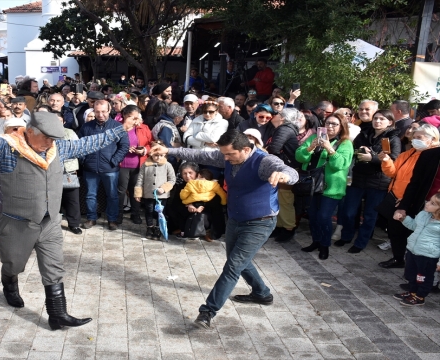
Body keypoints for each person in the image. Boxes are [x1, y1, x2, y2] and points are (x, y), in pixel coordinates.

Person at [0, 100, 136, 330]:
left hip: (50, 221)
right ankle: (9, 284)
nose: (51, 143)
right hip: (18, 223)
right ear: (30, 132)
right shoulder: (9, 150)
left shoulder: (57, 149)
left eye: (54, 138)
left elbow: (92, 142)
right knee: (13, 264)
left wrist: (122, 128)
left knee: (54, 268)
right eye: (47, 138)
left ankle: (57, 314)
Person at [151, 129, 298, 329]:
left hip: (260, 222)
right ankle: (262, 294)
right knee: (238, 260)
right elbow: (199, 154)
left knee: (233, 266)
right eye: (224, 154)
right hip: (236, 219)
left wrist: (284, 176)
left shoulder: (264, 162)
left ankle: (207, 311)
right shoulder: (227, 156)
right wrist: (168, 149)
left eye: (230, 154)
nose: (225, 158)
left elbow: (290, 171)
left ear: (246, 149)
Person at [336, 109, 401, 253]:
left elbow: (394, 160)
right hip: (359, 178)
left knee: (370, 215)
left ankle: (360, 243)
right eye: (376, 118)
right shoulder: (364, 133)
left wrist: (372, 157)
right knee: (349, 212)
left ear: (390, 122)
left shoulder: (393, 138)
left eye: (382, 119)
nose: (377, 121)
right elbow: (354, 151)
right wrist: (362, 151)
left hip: (378, 182)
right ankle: (346, 236)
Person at [377, 124, 439, 268]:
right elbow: (395, 174)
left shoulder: (430, 155)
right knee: (395, 230)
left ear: (433, 139)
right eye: (414, 137)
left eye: (419, 137)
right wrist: (386, 161)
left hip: (425, 202)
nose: (415, 140)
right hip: (401, 198)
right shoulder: (409, 154)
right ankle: (399, 258)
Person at [297, 114, 354, 259]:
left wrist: (330, 149)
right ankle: (316, 241)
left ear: (341, 127)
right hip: (313, 184)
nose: (330, 127)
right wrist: (311, 147)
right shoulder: (314, 138)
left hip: (331, 187)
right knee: (313, 216)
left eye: (335, 124)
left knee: (323, 217)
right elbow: (299, 156)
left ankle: (324, 245)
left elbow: (340, 165)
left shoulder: (345, 143)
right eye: (328, 123)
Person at [79, 100, 130, 231]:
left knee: (112, 195)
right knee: (90, 195)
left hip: (110, 168)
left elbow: (124, 146)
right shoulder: (87, 127)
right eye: (97, 112)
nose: (100, 114)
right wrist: (85, 160)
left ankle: (112, 220)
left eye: (103, 111)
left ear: (109, 111)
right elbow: (80, 145)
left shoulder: (117, 126)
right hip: (90, 168)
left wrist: (114, 160)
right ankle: (91, 218)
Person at [392, 193, 440, 306]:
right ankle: (412, 292)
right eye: (429, 200)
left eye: (432, 203)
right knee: (411, 273)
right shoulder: (423, 215)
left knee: (423, 277)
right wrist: (403, 219)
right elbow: (414, 225)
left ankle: (420, 296)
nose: (427, 204)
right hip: (413, 250)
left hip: (428, 255)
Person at [265, 108, 302, 243]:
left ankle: (288, 228)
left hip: (286, 169)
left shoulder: (284, 129)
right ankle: (280, 226)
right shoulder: (285, 128)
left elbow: (274, 149)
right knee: (280, 198)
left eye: (278, 114)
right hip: (285, 167)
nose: (275, 115)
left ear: (283, 118)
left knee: (285, 200)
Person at [133, 140, 176, 240]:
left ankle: (158, 228)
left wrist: (164, 188)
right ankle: (149, 227)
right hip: (148, 193)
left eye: (161, 155)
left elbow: (172, 179)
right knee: (149, 210)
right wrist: (138, 193)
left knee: (160, 212)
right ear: (151, 154)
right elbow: (140, 179)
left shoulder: (167, 165)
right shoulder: (145, 165)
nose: (159, 157)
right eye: (156, 155)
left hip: (162, 195)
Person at [117, 105, 152, 225]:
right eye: (131, 117)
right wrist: (124, 148)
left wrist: (144, 150)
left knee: (135, 190)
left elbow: (149, 144)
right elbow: (112, 143)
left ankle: (135, 214)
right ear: (124, 116)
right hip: (122, 164)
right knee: (121, 191)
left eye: (136, 117)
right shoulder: (118, 127)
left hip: (138, 164)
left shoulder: (144, 128)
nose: (134, 120)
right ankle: (119, 214)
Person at [178, 168, 227, 241]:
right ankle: (214, 234)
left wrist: (186, 201)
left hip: (195, 203)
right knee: (217, 214)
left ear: (199, 175)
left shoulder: (192, 183)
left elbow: (183, 196)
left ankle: (186, 231)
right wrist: (223, 203)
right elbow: (222, 194)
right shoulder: (214, 184)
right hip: (210, 203)